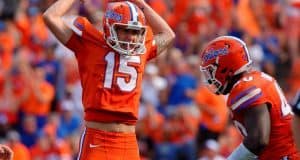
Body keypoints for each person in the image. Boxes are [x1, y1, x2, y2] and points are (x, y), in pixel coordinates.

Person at [43, 0, 175, 159]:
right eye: (124, 30)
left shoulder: (141, 48)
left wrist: (140, 3)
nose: (131, 38)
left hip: (128, 141)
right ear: (109, 26)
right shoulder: (89, 44)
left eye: (135, 32)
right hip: (97, 138)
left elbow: (168, 34)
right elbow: (50, 17)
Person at [198, 36, 300, 160]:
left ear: (225, 67)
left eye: (211, 72)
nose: (210, 79)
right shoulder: (257, 77)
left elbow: (258, 140)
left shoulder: (243, 88)